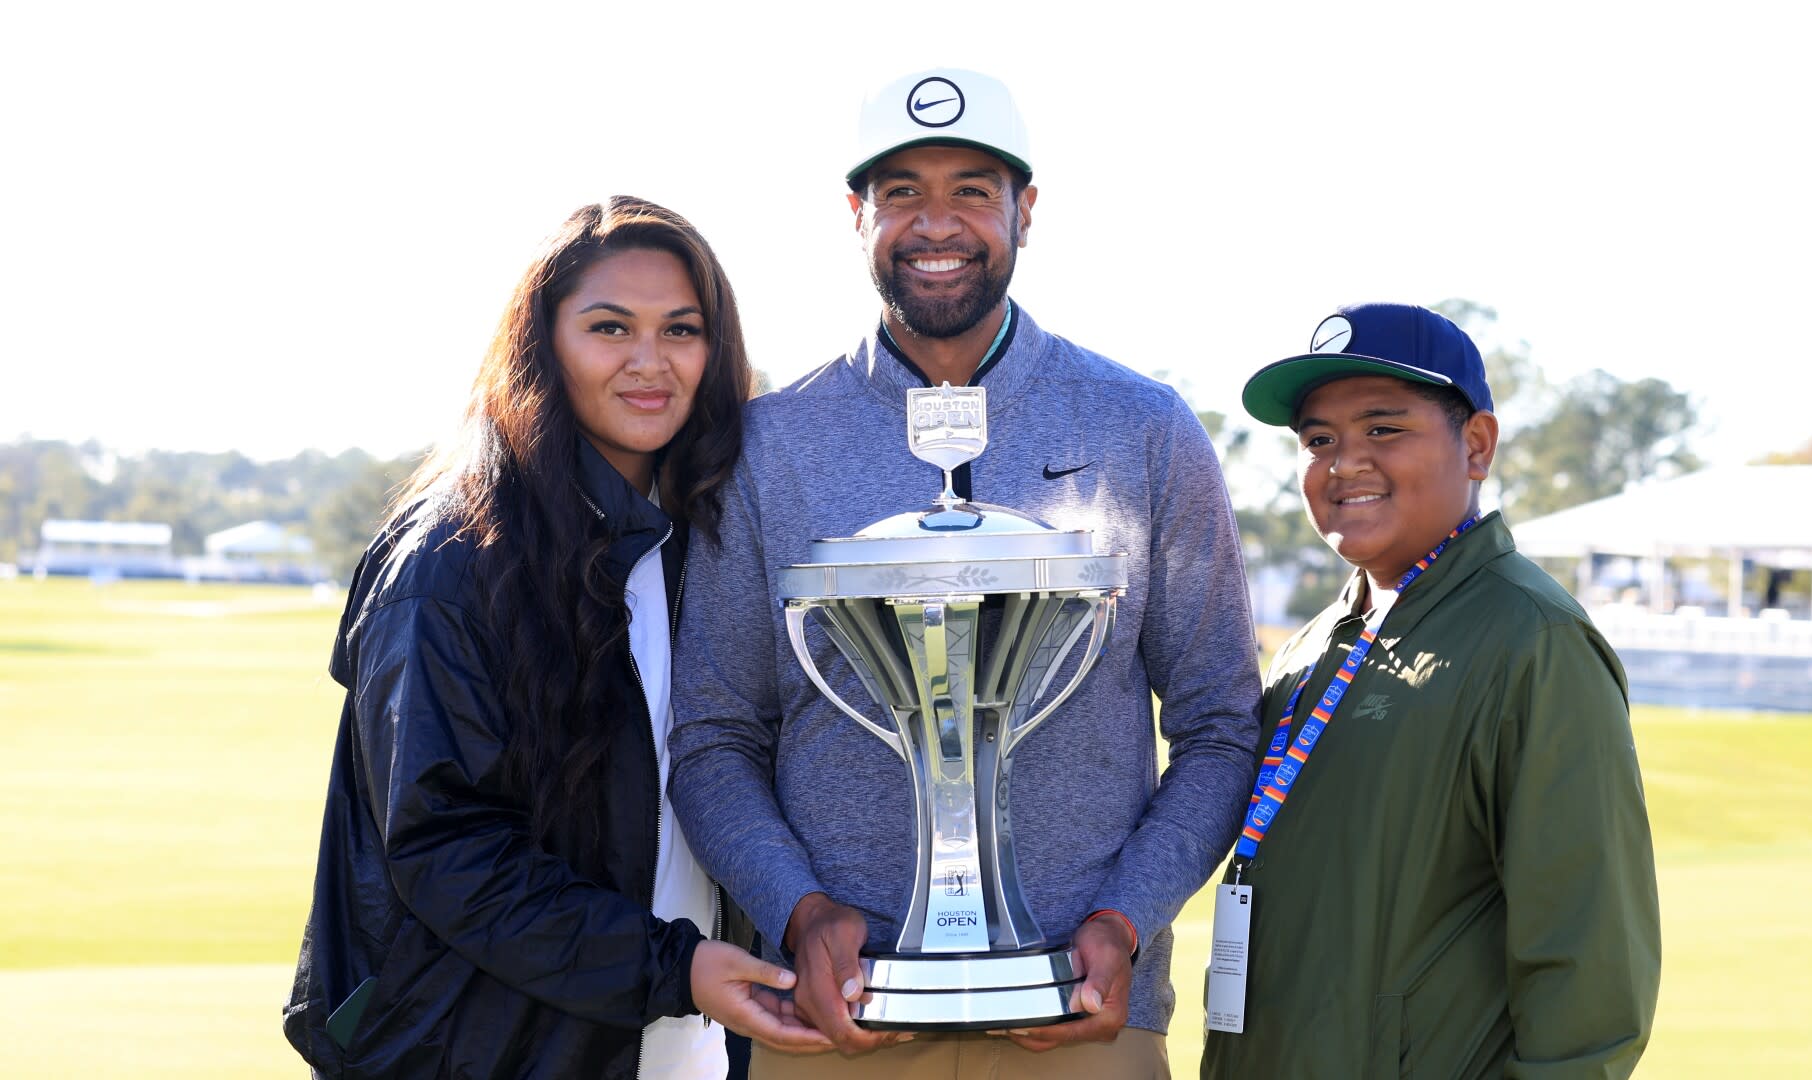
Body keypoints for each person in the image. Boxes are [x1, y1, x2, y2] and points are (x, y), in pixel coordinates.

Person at [667, 68, 1263, 1078]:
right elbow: (714, 735)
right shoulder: (766, 446)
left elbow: (1217, 722)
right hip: (834, 1022)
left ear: (1026, 211)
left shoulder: (1145, 428)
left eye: (973, 190)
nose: (935, 223)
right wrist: (798, 912)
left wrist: (1125, 920)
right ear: (855, 215)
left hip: (1084, 1019)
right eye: (900, 192)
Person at [282, 196, 832, 1079]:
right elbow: (445, 849)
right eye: (609, 328)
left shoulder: (706, 545)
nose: (649, 363)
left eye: (681, 331)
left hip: (687, 1047)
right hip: (480, 1051)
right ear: (544, 344)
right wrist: (673, 967)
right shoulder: (455, 559)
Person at [1200, 303, 1660, 1078]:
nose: (1345, 463)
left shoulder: (1535, 643)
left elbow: (1589, 970)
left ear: (1476, 445)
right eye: (1319, 441)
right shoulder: (1315, 643)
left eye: (1384, 429)